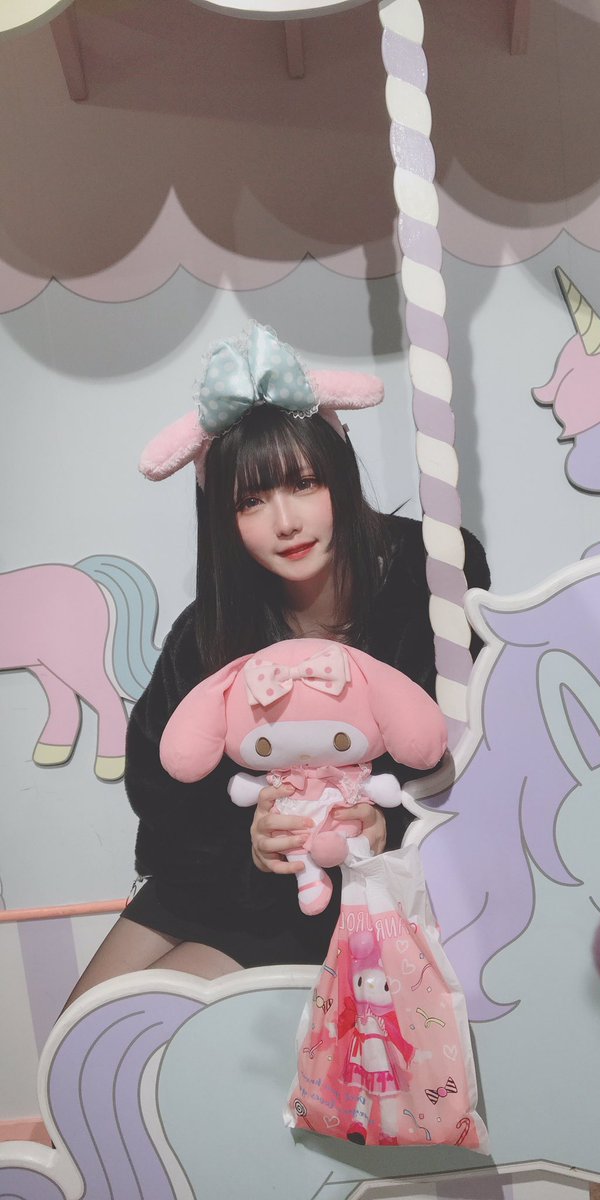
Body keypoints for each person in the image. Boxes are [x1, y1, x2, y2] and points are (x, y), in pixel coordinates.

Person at [65, 323, 489, 1004]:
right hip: (227, 875)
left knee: (157, 1025)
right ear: (222, 516)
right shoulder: (207, 631)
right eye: (251, 500)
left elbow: (477, 746)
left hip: (346, 890)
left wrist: (391, 829)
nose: (285, 522)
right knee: (86, 1033)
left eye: (303, 483)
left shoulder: (430, 571)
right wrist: (253, 839)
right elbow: (161, 793)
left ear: (338, 473)